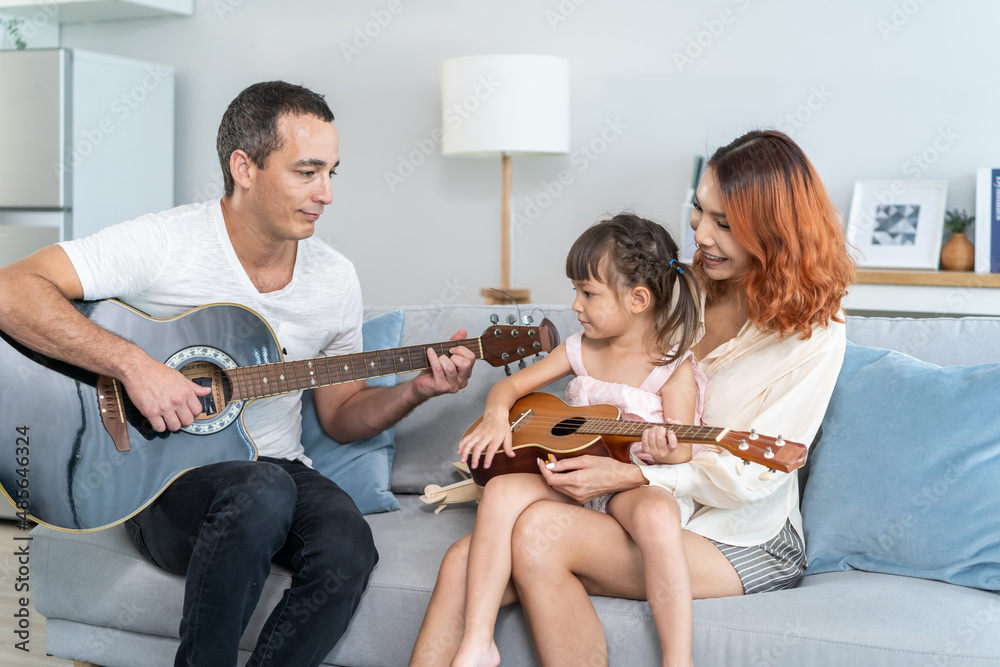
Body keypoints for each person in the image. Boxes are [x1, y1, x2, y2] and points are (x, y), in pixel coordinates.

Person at [0, 81, 476, 667]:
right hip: (158, 480)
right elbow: (10, 289)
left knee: (347, 545)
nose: (325, 193)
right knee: (262, 490)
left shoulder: (334, 279)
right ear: (243, 167)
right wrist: (135, 366)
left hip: (273, 468)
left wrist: (414, 391)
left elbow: (343, 415)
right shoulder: (164, 242)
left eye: (332, 172)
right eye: (307, 171)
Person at [410, 129, 855, 667]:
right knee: (464, 562)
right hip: (640, 503)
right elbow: (597, 334)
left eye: (725, 224)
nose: (702, 236)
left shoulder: (815, 333)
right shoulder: (677, 288)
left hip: (738, 534)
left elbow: (754, 476)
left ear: (773, 233)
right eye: (700, 210)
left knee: (540, 533)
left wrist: (636, 476)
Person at [412, 213, 706, 667]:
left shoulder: (673, 367)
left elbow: (683, 451)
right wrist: (493, 417)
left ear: (638, 299)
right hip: (569, 480)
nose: (574, 305)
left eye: (588, 293)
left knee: (656, 515)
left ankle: (678, 659)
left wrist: (669, 449)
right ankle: (478, 639)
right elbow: (508, 388)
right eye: (575, 290)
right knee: (503, 489)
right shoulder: (579, 350)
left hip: (630, 484)